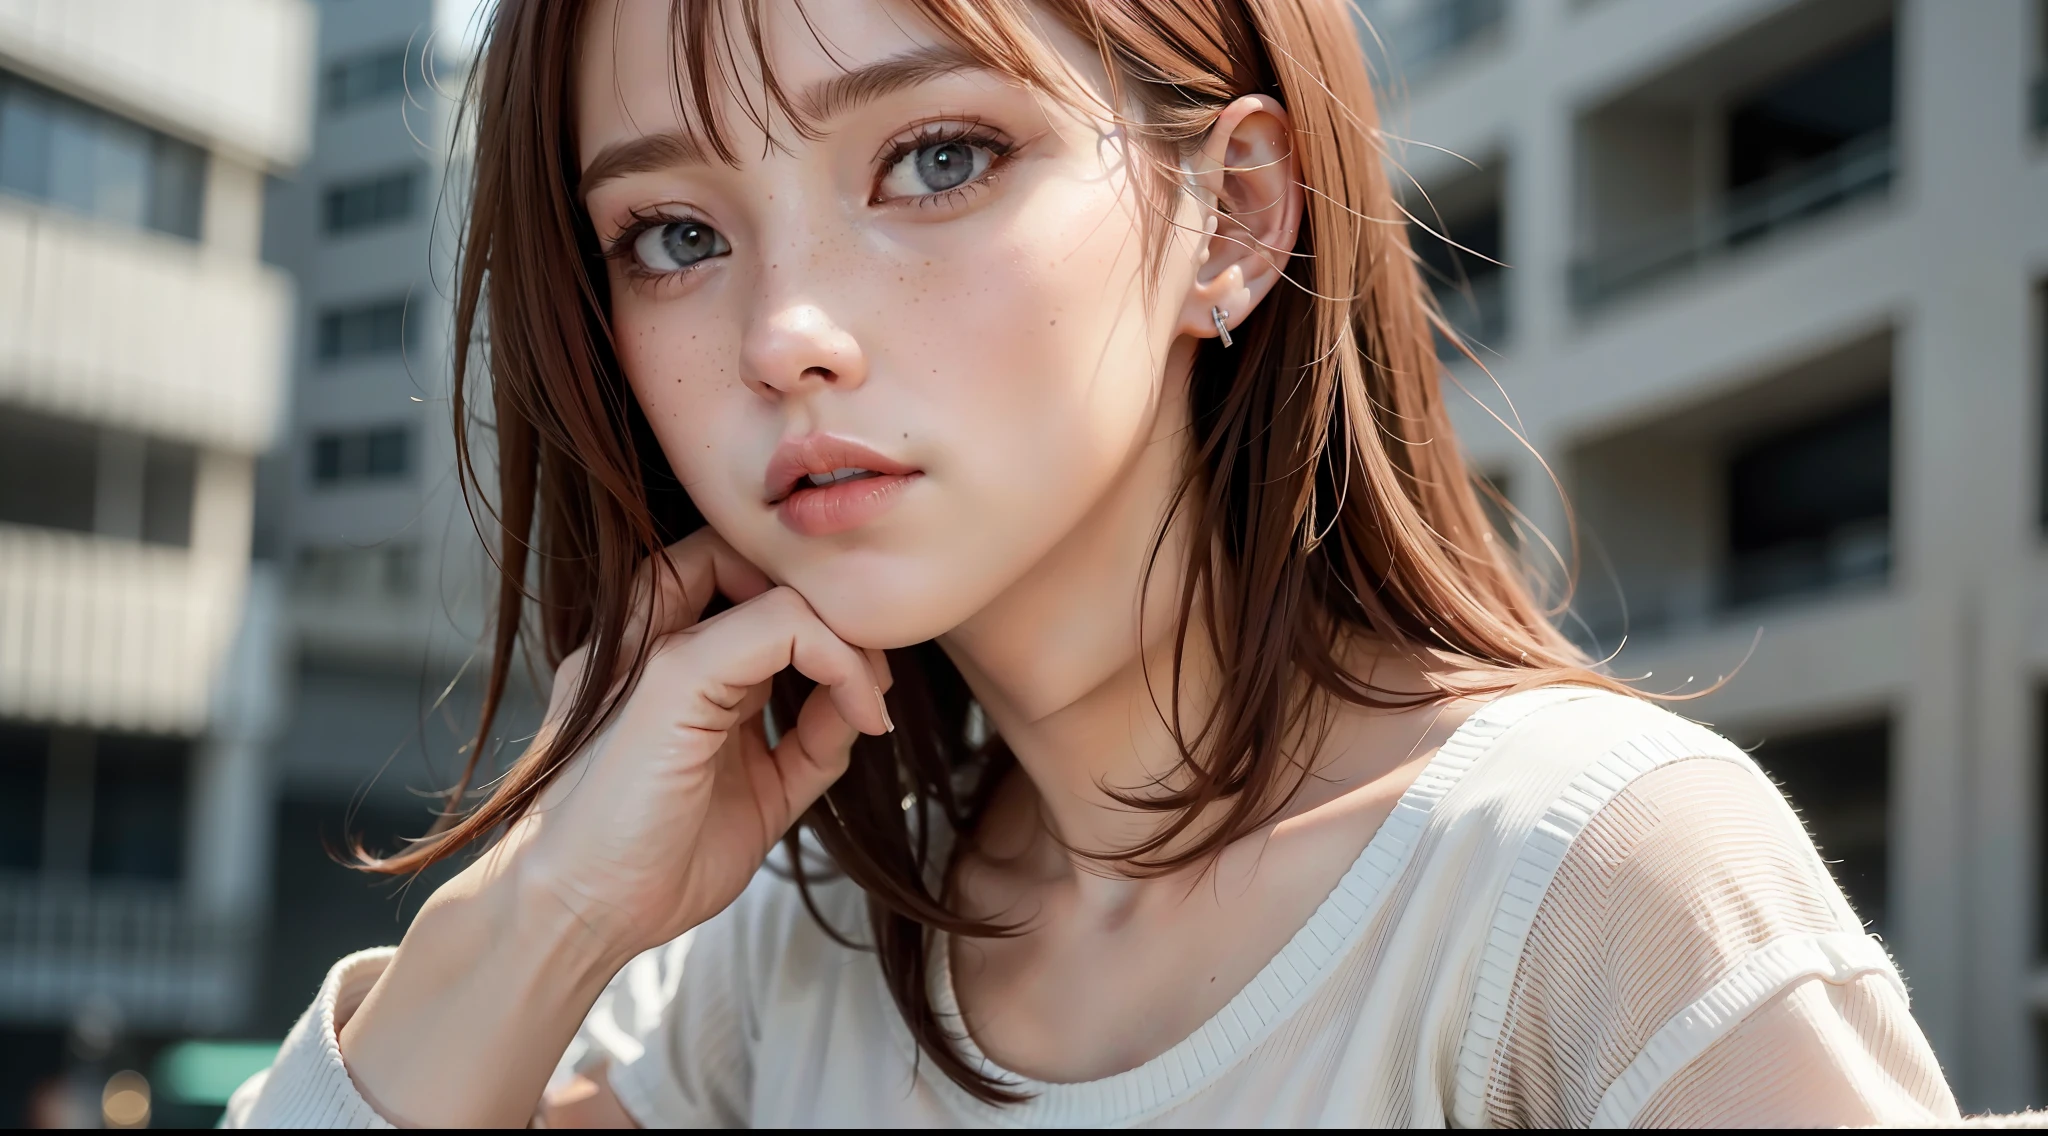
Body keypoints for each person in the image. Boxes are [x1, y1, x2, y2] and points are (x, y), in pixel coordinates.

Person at [227, 0, 1959, 1126]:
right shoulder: (784, 972)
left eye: (935, 158)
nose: (789, 333)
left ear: (1237, 217)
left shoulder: (1583, 889)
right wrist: (548, 906)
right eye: (674, 235)